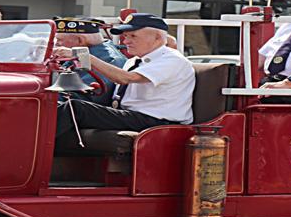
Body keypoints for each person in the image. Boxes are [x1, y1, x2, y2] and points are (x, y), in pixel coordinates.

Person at [54, 13, 195, 151]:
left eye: (133, 36)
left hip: (157, 122)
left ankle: (34, 150)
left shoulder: (172, 59)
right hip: (132, 116)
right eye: (125, 36)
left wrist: (82, 56)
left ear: (157, 37)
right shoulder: (134, 61)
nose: (125, 41)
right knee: (62, 108)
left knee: (75, 108)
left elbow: (126, 78)